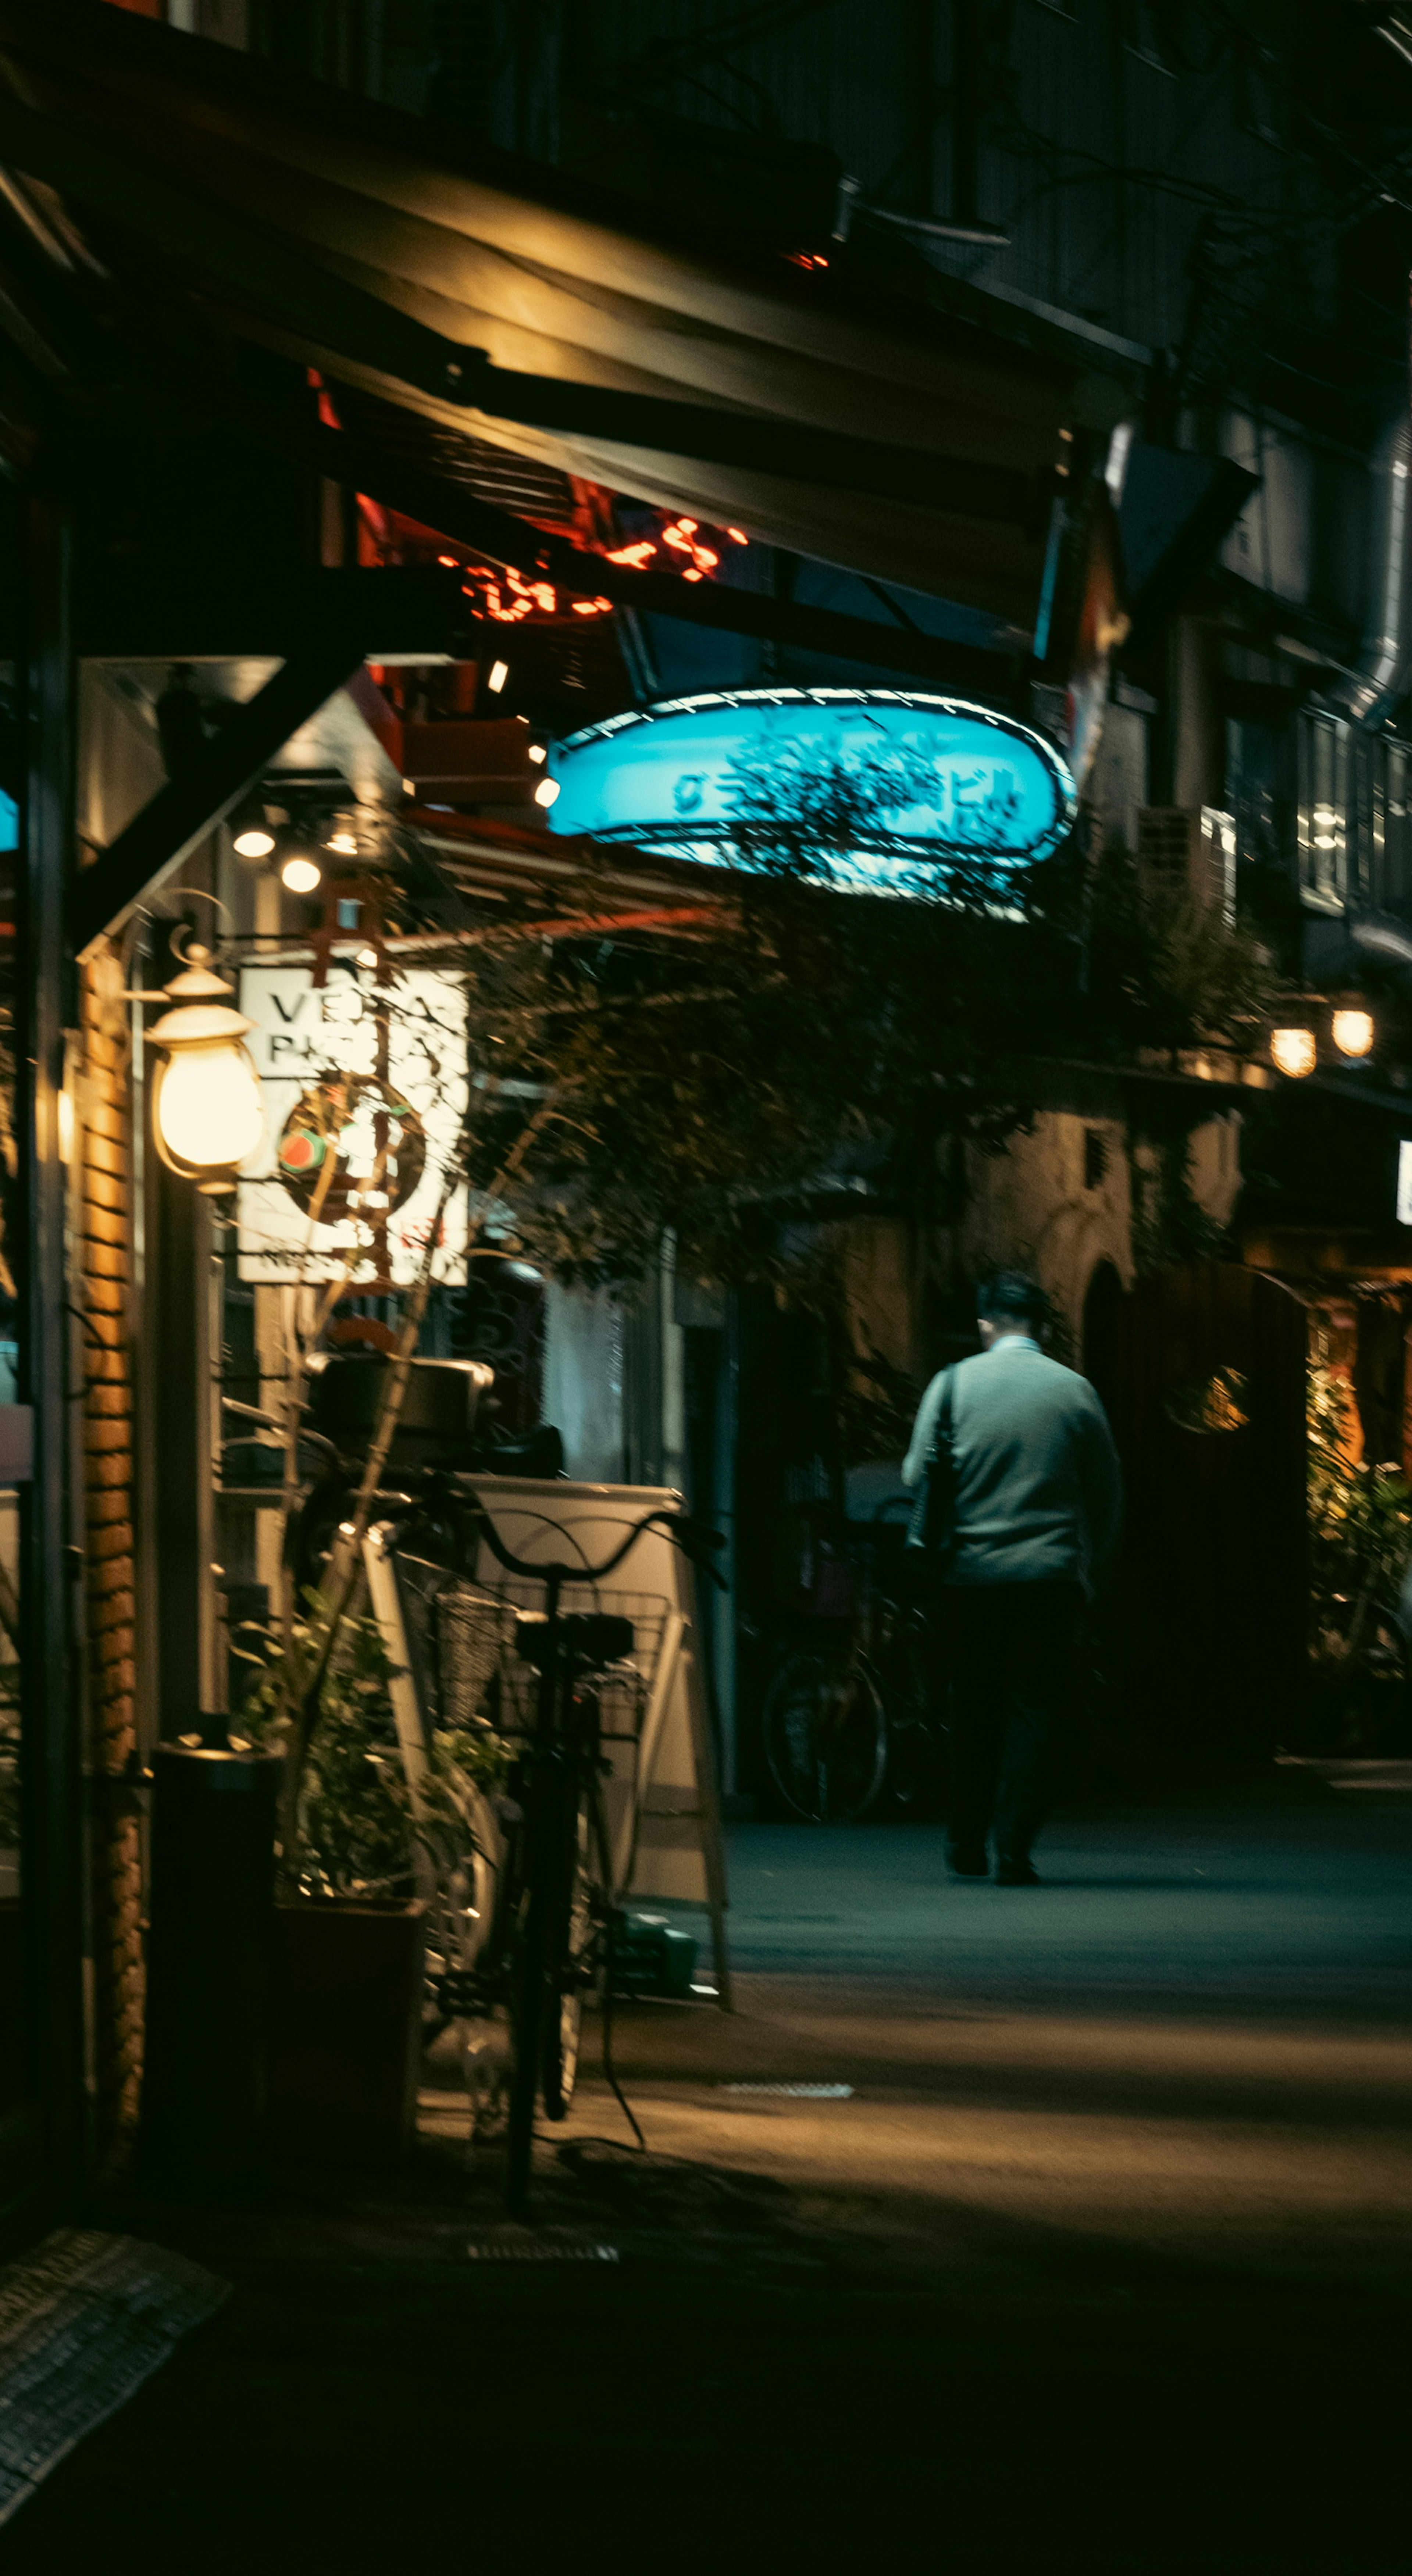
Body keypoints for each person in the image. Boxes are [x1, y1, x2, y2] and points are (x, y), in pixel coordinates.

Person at [902, 1271, 1122, 1885]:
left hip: (970, 1577)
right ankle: (1014, 1846)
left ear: (985, 1324)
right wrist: (1093, 1567)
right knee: (1038, 1709)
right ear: (1043, 1326)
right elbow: (1108, 1490)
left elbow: (916, 1473)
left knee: (973, 1709)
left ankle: (964, 1842)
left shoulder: (951, 1387)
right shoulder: (1074, 1391)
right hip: (1048, 1579)